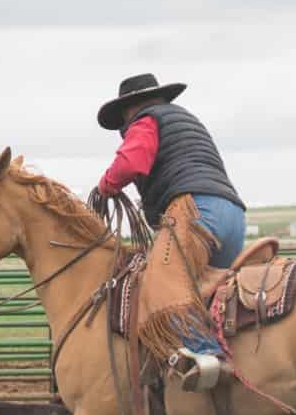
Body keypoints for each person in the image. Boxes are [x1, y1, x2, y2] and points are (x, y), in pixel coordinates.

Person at [88, 72, 248, 390]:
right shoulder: (185, 120)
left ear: (128, 109)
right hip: (232, 213)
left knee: (159, 285)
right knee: (207, 291)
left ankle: (206, 356)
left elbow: (129, 163)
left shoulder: (145, 121)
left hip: (194, 211)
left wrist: (106, 185)